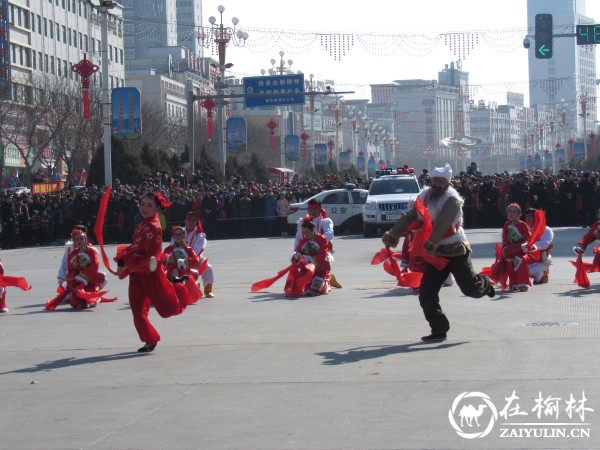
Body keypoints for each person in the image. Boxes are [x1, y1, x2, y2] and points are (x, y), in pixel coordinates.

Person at [382, 163, 495, 342]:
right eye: (435, 180)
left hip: (455, 249)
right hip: (436, 254)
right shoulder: (424, 196)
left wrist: (431, 243)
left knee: (470, 289)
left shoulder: (452, 200)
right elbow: (411, 216)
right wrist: (393, 235)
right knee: (426, 292)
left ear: (448, 183)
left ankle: (485, 283)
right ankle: (439, 329)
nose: (437, 184)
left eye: (441, 181)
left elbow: (442, 224)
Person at [115, 192, 187, 353]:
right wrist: (125, 260)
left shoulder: (154, 226)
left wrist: (121, 256)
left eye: (149, 205)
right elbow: (135, 247)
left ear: (157, 208)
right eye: (142, 204)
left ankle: (180, 286)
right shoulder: (141, 223)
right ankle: (150, 339)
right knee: (137, 309)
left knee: (168, 309)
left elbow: (138, 246)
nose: (145, 208)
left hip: (151, 272)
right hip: (137, 273)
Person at [46, 226, 111, 310]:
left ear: (85, 239)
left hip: (91, 277)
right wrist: (67, 279)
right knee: (75, 303)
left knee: (89, 300)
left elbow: (94, 266)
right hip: (77, 279)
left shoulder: (91, 250)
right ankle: (79, 294)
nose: (79, 241)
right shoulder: (71, 251)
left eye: (82, 238)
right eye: (77, 239)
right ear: (73, 239)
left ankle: (94, 294)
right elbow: (67, 265)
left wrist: (82, 277)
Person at [293, 198, 341, 288]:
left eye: (315, 208)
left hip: (323, 251)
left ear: (320, 209)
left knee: (318, 281)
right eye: (310, 208)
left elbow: (329, 234)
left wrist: (316, 241)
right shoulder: (303, 222)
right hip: (307, 251)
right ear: (307, 209)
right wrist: (297, 251)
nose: (313, 211)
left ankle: (328, 279)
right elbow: (298, 237)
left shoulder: (325, 221)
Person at [286, 217, 331, 297]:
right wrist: (296, 256)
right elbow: (299, 250)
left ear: (313, 230)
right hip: (307, 270)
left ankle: (326, 282)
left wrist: (310, 259)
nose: (305, 235)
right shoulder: (303, 240)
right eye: (303, 232)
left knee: (316, 285)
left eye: (307, 232)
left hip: (320, 268)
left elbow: (323, 254)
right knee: (304, 288)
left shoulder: (322, 239)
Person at [162, 226, 203, 305]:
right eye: (175, 234)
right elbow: (164, 263)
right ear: (173, 236)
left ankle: (192, 286)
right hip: (171, 272)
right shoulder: (167, 250)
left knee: (188, 276)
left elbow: (195, 260)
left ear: (184, 236)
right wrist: (172, 269)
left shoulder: (189, 249)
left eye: (180, 234)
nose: (177, 236)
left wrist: (183, 262)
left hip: (185, 271)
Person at [499, 203, 532, 292]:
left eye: (514, 211)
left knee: (521, 260)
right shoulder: (506, 225)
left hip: (523, 250)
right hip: (510, 250)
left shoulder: (523, 225)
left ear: (519, 214)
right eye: (509, 211)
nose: (511, 213)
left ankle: (523, 284)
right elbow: (505, 241)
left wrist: (526, 245)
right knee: (509, 261)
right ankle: (513, 283)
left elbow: (529, 239)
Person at [182, 212, 215, 298]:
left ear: (197, 223)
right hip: (179, 259)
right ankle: (194, 285)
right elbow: (172, 246)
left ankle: (208, 290)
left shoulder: (200, 236)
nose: (191, 222)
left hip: (195, 260)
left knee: (208, 268)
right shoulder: (179, 232)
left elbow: (196, 252)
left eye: (193, 220)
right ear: (185, 221)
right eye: (189, 220)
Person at [523, 207, 553, 284]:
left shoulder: (546, 229)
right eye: (526, 216)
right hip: (527, 259)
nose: (528, 218)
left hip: (541, 260)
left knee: (536, 272)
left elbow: (545, 245)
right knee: (517, 268)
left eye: (530, 216)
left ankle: (544, 274)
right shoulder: (525, 229)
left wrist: (530, 246)